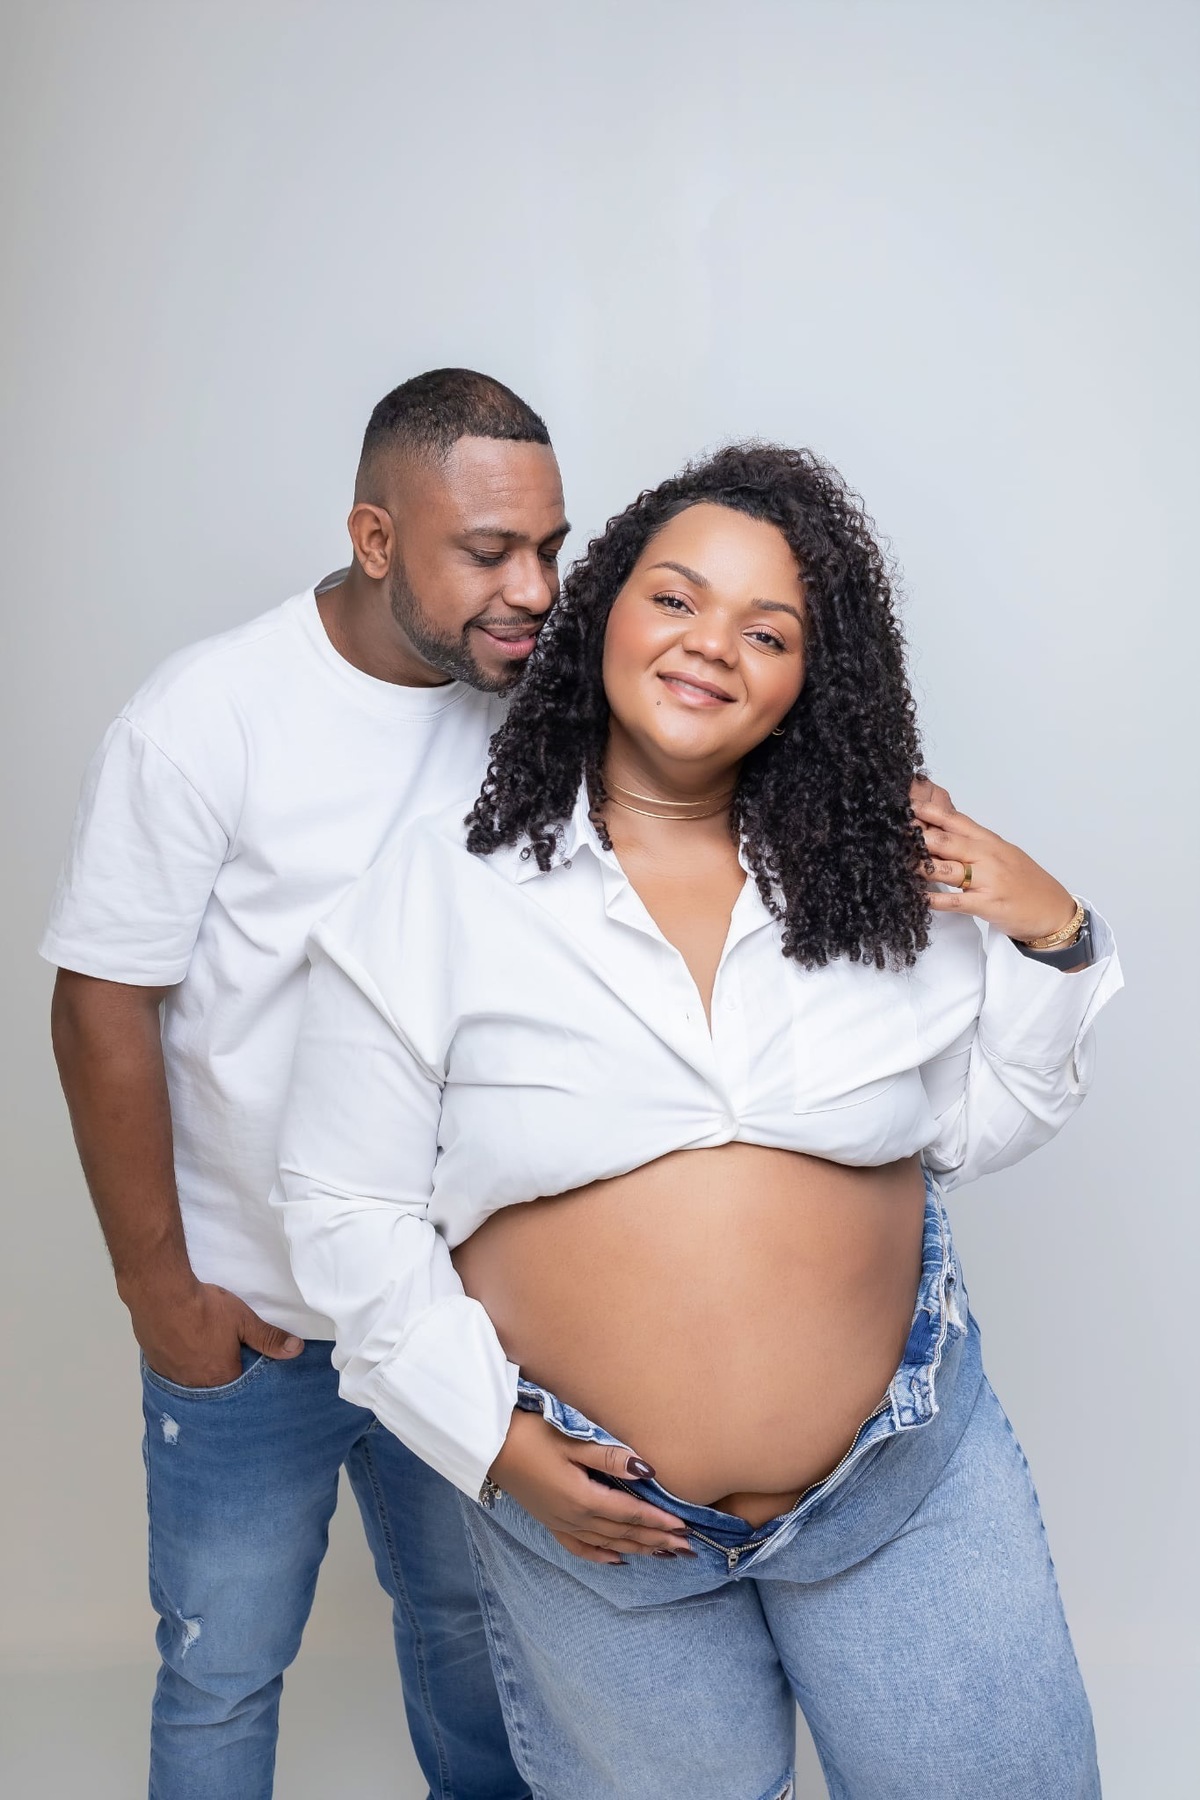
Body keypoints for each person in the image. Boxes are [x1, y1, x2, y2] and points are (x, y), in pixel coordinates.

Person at [274, 443, 1122, 1800]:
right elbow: (339, 1205)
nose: (712, 646)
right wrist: (489, 1444)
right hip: (593, 1533)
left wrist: (1055, 937)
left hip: (903, 1486)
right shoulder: (439, 892)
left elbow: (977, 1127)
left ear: (807, 682)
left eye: (767, 631)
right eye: (676, 599)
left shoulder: (877, 874)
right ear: (605, 610)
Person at [41, 367, 568, 1799]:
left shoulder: (534, 712)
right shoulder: (209, 714)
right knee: (223, 1664)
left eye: (550, 547)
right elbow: (101, 1004)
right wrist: (165, 1295)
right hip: (251, 1319)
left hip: (449, 1312)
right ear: (377, 537)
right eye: (487, 553)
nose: (531, 588)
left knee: (478, 1647)